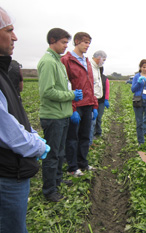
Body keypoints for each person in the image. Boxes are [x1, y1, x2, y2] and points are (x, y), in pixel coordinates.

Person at [0, 7, 49, 232]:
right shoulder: (48, 63)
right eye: (9, 30)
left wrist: (32, 133)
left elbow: (12, 115)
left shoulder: (3, 72)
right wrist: (37, 144)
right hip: (7, 172)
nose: (15, 36)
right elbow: (8, 131)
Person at [38, 28, 83, 202]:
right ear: (52, 41)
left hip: (62, 115)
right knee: (52, 154)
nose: (66, 46)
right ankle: (49, 190)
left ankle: (57, 180)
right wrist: (71, 96)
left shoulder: (57, 61)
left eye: (66, 42)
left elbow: (63, 87)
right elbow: (47, 92)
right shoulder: (48, 62)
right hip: (53, 117)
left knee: (59, 152)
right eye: (63, 42)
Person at [61, 32, 98, 176]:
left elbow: (90, 85)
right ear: (76, 42)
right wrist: (72, 107)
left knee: (84, 137)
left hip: (88, 104)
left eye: (89, 43)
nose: (87, 45)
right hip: (76, 105)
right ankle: (72, 167)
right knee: (72, 138)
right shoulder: (67, 60)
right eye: (85, 42)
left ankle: (83, 163)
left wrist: (94, 105)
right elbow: (66, 85)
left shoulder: (87, 61)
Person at [89, 50, 108, 145]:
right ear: (99, 57)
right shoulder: (90, 67)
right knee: (91, 123)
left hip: (97, 101)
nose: (103, 62)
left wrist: (106, 99)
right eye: (103, 60)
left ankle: (90, 142)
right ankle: (89, 142)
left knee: (94, 121)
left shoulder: (97, 69)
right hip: (90, 101)